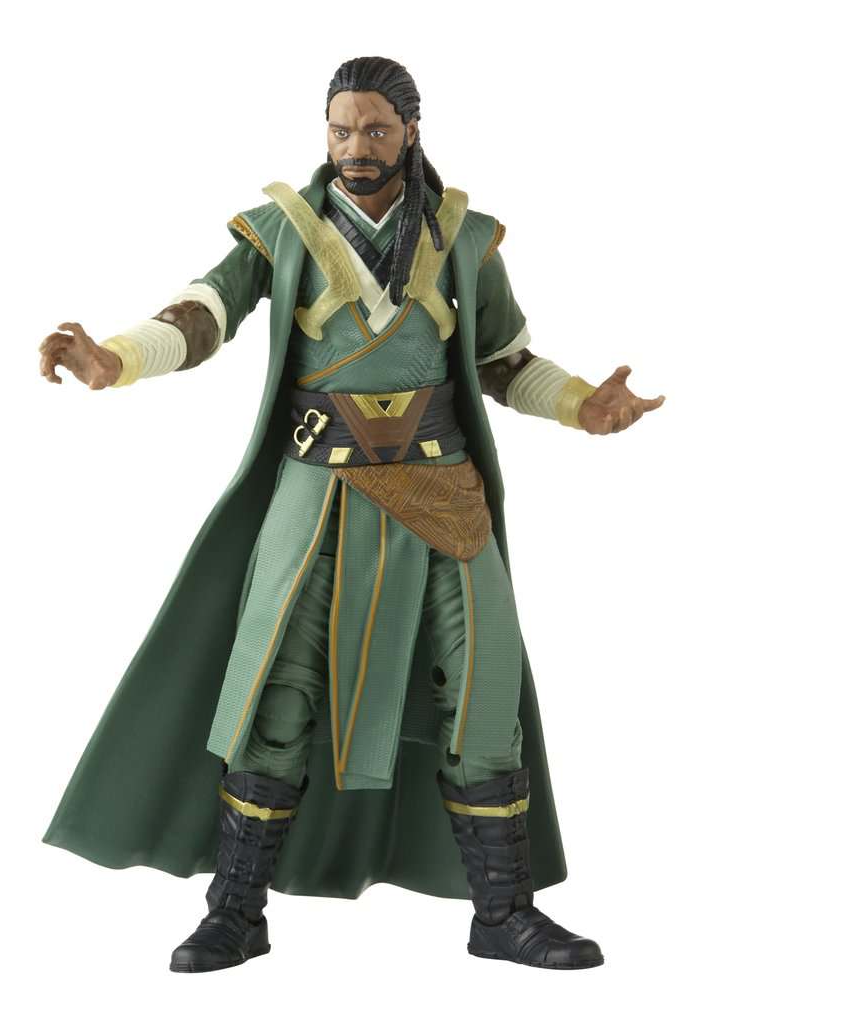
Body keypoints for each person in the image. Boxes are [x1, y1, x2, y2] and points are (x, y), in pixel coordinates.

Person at [39, 56, 664, 974]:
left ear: (410, 131)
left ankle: (504, 914)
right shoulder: (281, 229)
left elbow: (504, 359)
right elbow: (201, 313)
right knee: (275, 697)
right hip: (318, 494)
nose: (355, 147)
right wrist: (117, 359)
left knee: (483, 692)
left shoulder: (463, 235)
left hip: (443, 497)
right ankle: (236, 911)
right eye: (341, 130)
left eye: (374, 129)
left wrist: (581, 405)